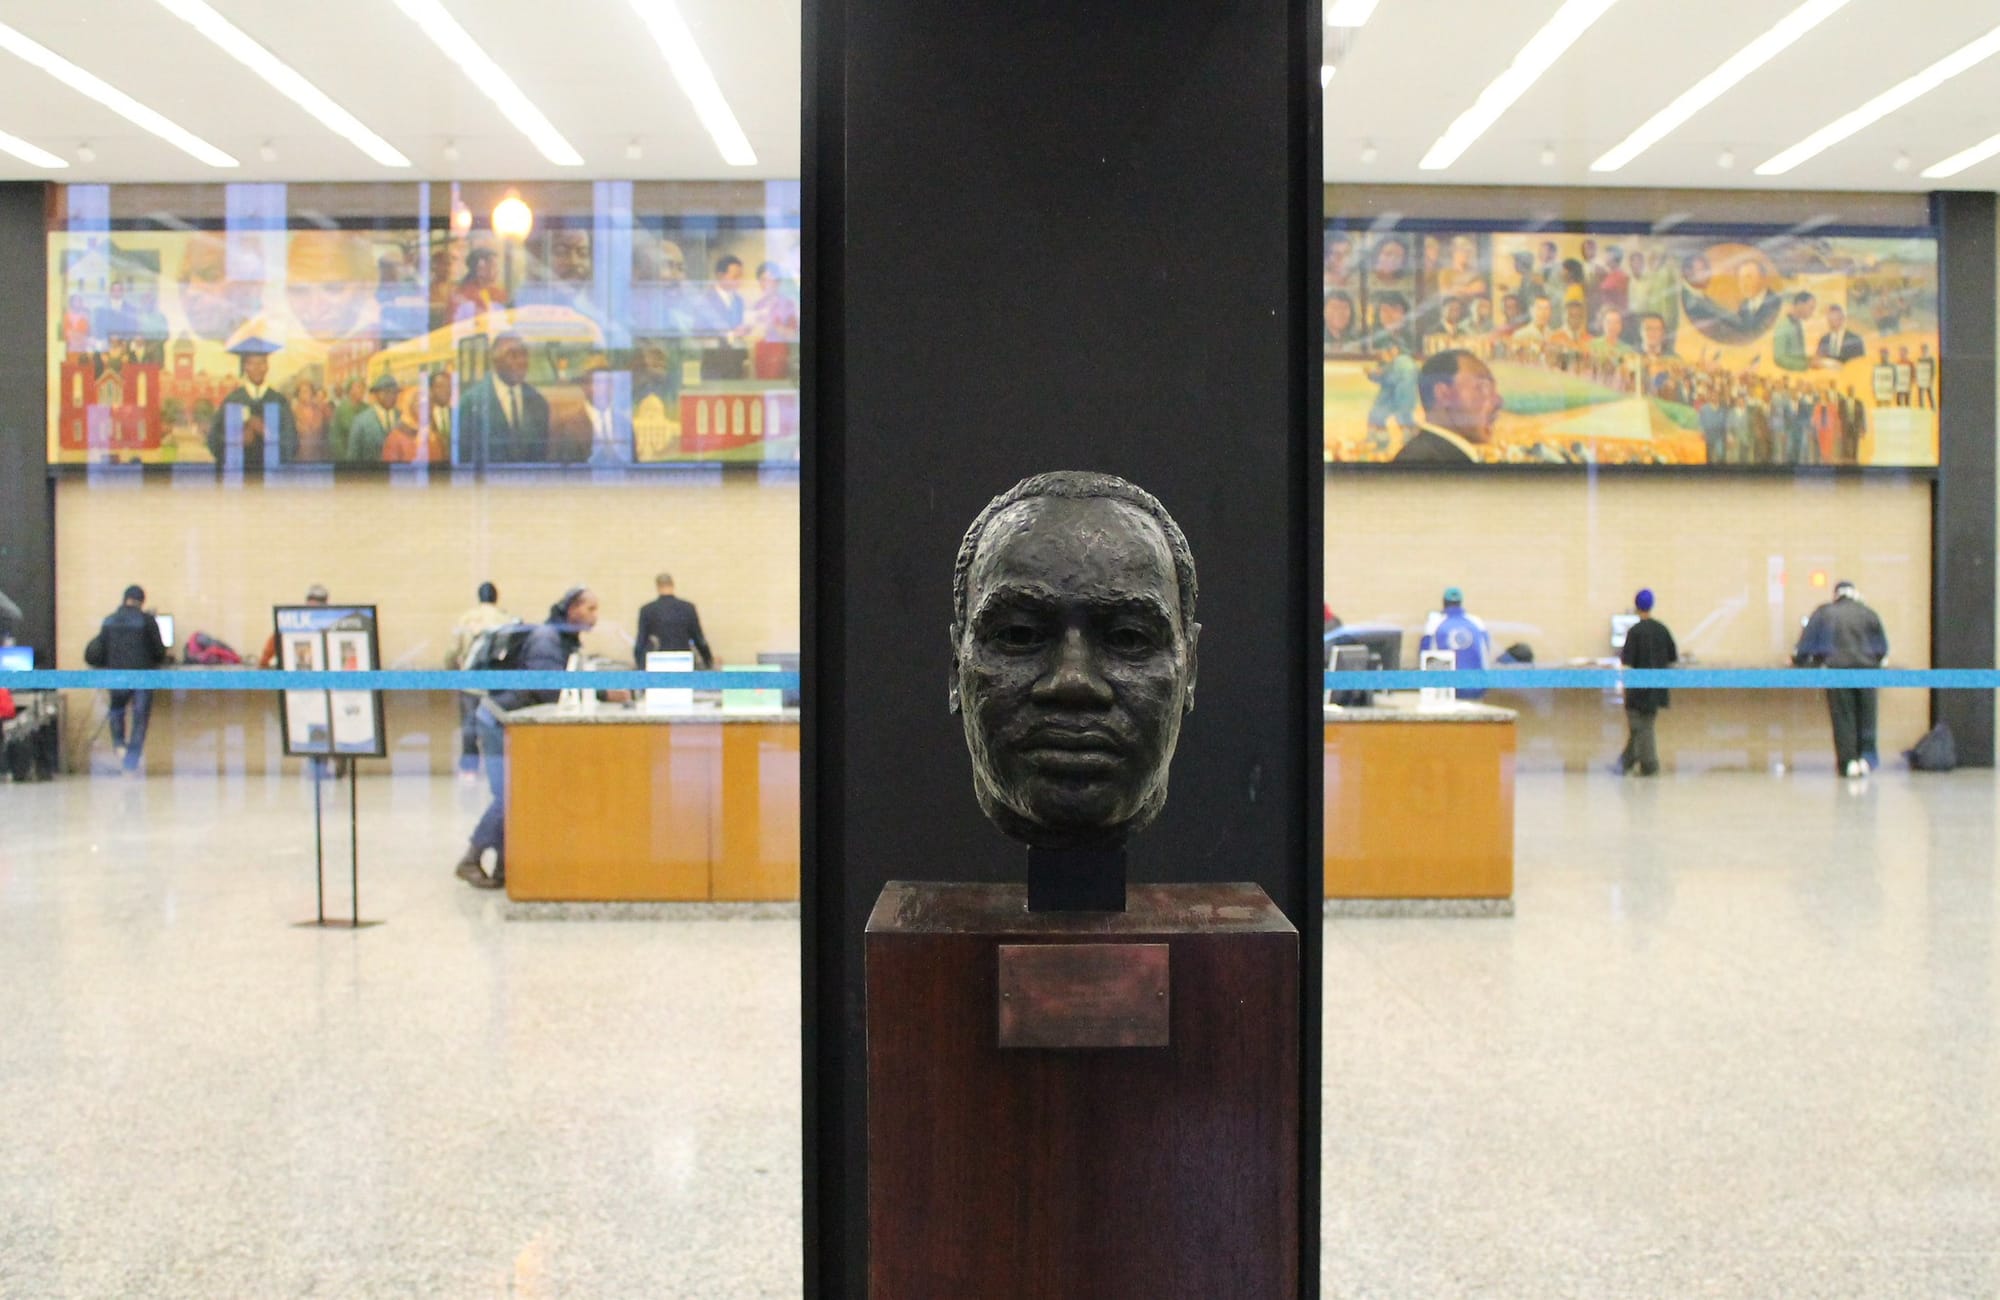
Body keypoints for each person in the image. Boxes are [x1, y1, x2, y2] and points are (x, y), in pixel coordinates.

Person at [458, 587, 630, 889]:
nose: (595, 616)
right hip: (498, 720)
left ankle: (503, 867)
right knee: (509, 795)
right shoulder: (546, 639)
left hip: (513, 722)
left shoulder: (561, 641)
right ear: (573, 608)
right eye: (590, 609)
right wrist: (603, 693)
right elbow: (549, 687)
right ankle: (471, 858)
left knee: (516, 793)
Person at [1795, 580, 1889, 777]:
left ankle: (1848, 763)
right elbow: (1882, 649)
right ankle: (1866, 760)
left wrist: (1799, 660)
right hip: (1867, 671)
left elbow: (1806, 646)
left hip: (1837, 671)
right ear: (1854, 593)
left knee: (1843, 717)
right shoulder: (1868, 613)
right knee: (1867, 717)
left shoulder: (1824, 613)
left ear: (1835, 595)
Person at [90, 585, 167, 776]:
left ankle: (118, 745)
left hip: (116, 675)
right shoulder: (147, 620)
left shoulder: (109, 620)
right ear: (142, 601)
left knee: (117, 710)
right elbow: (159, 652)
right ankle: (130, 766)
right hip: (142, 676)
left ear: (124, 599)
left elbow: (99, 650)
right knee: (139, 719)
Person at [445, 582, 512, 778]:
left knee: (469, 725)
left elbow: (452, 651)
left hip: (470, 681)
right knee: (496, 725)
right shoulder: (505, 619)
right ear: (495, 597)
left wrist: (451, 671)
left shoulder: (466, 619)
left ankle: (469, 769)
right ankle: (499, 768)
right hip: (495, 684)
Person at [457, 332, 551, 465]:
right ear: (495, 360)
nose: (521, 361)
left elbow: (541, 458)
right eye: (513, 355)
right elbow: (465, 459)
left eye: (524, 354)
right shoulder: (471, 403)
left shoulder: (538, 403)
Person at [1394, 348, 1500, 464]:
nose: (1498, 401)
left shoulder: (1424, 455)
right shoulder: (1424, 464)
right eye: (1483, 388)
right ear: (1443, 394)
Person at [1615, 589, 1677, 777]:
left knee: (1641, 726)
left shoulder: (1634, 632)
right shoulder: (1662, 629)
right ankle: (1624, 763)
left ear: (1636, 606)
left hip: (1637, 690)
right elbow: (1672, 657)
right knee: (1644, 725)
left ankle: (1649, 765)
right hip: (1656, 688)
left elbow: (1626, 663)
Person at [207, 337, 296, 467]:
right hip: (238, 476)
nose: (257, 368)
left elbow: (292, 442)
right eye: (252, 363)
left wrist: (267, 433)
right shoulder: (233, 400)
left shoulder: (278, 401)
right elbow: (213, 440)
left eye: (261, 363)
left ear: (267, 367)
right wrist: (236, 440)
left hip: (271, 477)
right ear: (245, 367)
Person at [1420, 586, 1491, 699]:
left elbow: (1425, 657)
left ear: (1444, 603)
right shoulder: (1477, 623)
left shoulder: (1434, 625)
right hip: (1478, 687)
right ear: (1460, 603)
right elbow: (1486, 653)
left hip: (1448, 690)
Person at [635, 572, 713, 669]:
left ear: (658, 587)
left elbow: (640, 642)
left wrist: (640, 664)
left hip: (657, 662)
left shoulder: (647, 610)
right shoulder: (688, 608)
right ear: (672, 585)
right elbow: (699, 639)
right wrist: (708, 661)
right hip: (684, 661)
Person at [1362, 340, 1418, 452]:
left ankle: (1385, 443)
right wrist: (1373, 374)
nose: (1382, 354)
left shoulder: (1402, 362)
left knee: (1401, 419)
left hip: (1400, 397)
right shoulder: (1397, 362)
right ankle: (1379, 441)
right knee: (1379, 416)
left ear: (1396, 349)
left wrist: (1373, 374)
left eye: (1385, 350)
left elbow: (1391, 379)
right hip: (1398, 397)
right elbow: (1387, 378)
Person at [258, 584, 329, 668]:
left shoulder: (330, 630)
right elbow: (265, 659)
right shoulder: (290, 626)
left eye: (319, 605)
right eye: (312, 605)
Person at [345, 372, 402, 462]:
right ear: (375, 394)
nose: (391, 396)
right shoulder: (360, 421)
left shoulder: (403, 418)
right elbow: (353, 458)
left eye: (394, 392)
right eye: (386, 392)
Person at [1772, 292, 1815, 372]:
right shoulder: (1784, 326)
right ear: (1800, 305)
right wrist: (1807, 364)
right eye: (1811, 308)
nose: (1812, 312)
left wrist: (1810, 360)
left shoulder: (1797, 324)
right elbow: (1779, 358)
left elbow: (1796, 355)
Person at [1914, 343, 1937, 409]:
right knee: (1920, 396)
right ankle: (1922, 410)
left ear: (1928, 350)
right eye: (1923, 349)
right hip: (1921, 380)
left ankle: (1933, 409)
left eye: (1925, 349)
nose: (1924, 350)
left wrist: (1931, 380)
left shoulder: (1931, 359)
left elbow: (1933, 371)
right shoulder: (1919, 359)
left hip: (1928, 380)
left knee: (1930, 395)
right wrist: (1917, 378)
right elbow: (1918, 370)